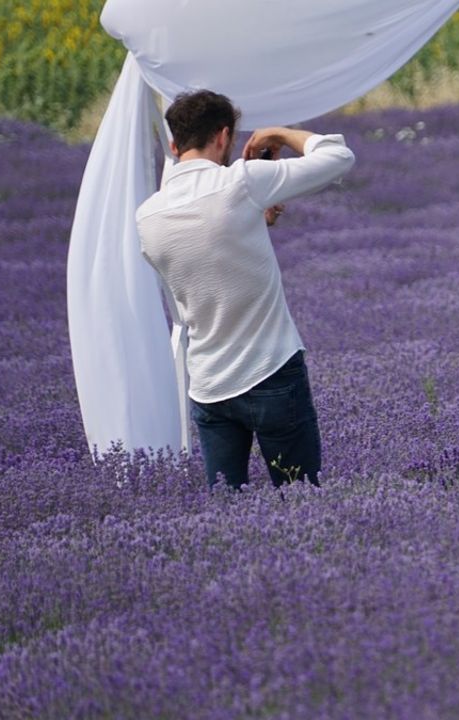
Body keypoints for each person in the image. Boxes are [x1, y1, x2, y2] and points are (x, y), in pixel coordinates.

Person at [136, 89, 355, 488]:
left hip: (208, 386)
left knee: (226, 509)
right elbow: (337, 156)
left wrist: (251, 222)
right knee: (302, 500)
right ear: (223, 136)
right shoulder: (241, 181)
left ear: (174, 145)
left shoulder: (147, 216)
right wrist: (281, 134)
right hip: (270, 371)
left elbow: (191, 286)